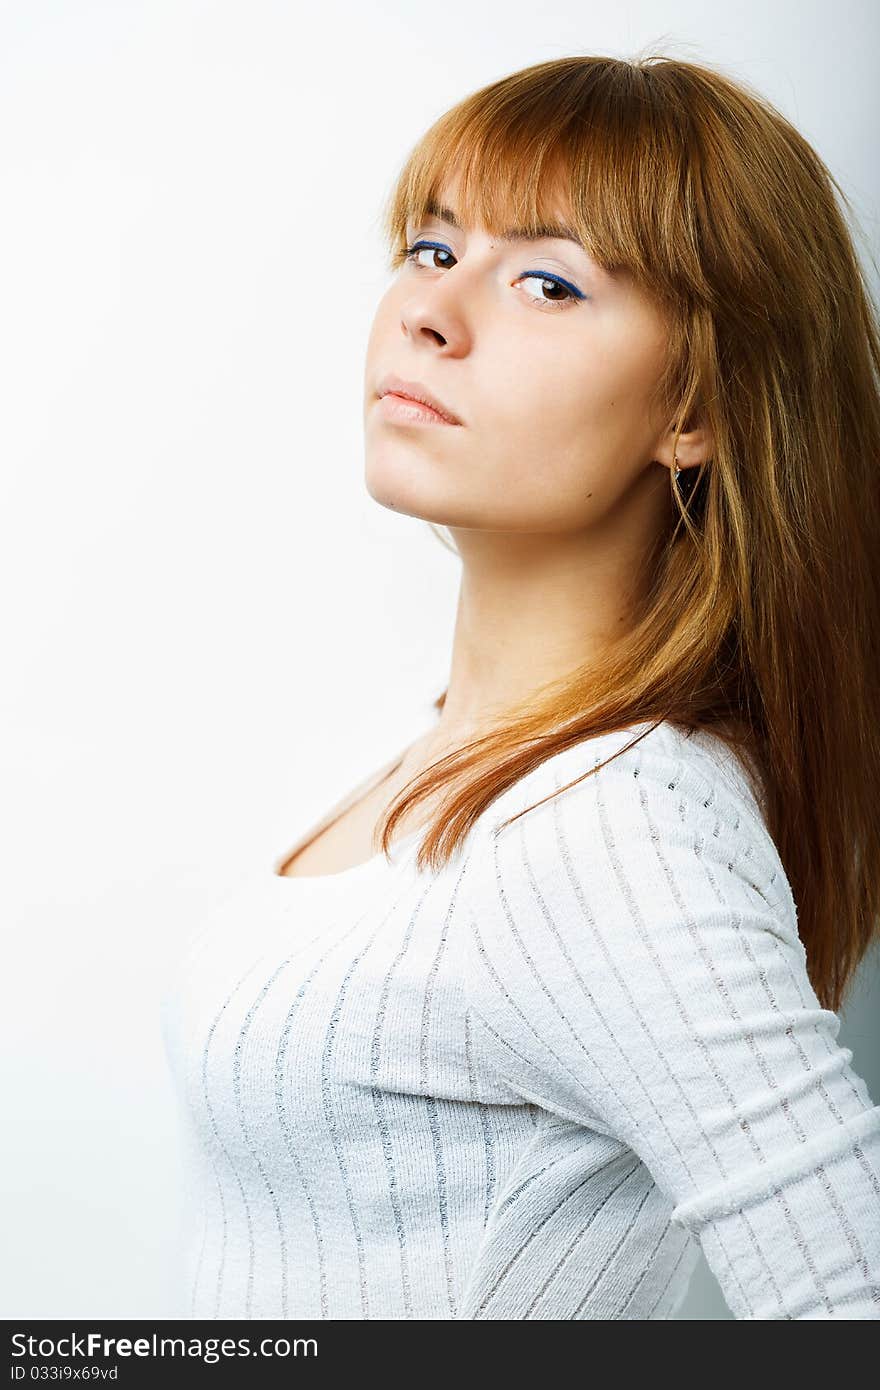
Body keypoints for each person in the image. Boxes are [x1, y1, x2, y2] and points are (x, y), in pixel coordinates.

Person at [160, 52, 880, 1319]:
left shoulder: (612, 822)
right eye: (433, 248)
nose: (431, 312)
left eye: (549, 280)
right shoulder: (480, 753)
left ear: (696, 410)